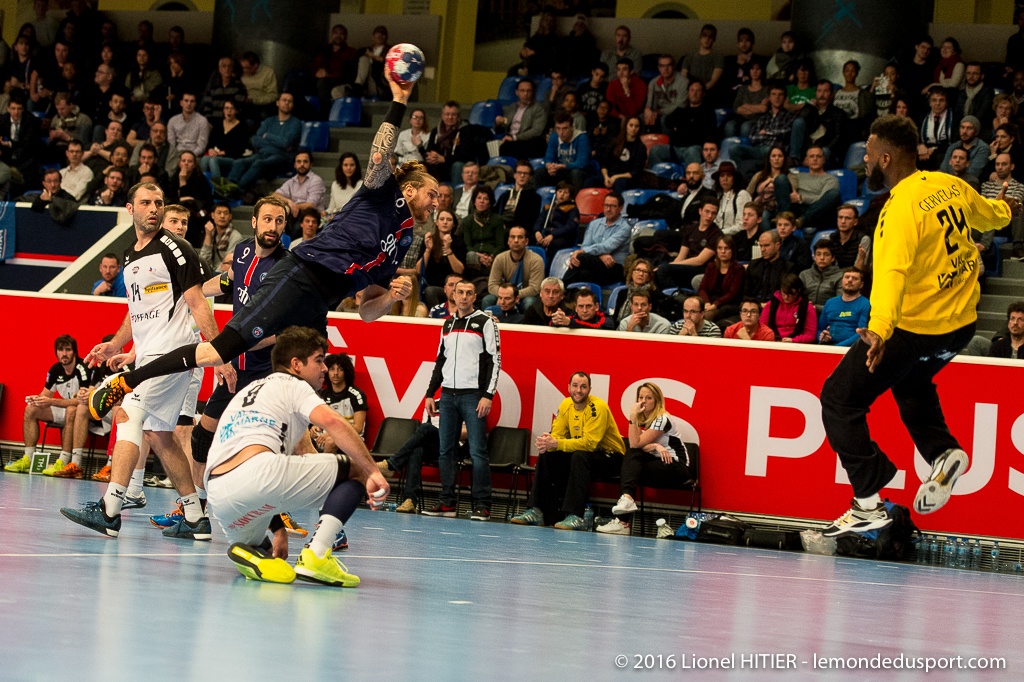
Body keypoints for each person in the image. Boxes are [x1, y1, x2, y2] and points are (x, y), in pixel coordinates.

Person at [87, 73, 435, 420]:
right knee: (219, 351)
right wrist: (399, 100)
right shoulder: (382, 194)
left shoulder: (403, 240)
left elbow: (366, 312)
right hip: (302, 275)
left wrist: (391, 296)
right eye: (431, 194)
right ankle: (127, 381)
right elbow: (379, 152)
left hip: (322, 300)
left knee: (311, 376)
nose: (436, 202)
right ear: (409, 189)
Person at [820, 114, 1015, 536]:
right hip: (959, 325)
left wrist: (880, 329)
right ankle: (943, 452)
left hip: (913, 328)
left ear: (885, 158)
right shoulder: (950, 184)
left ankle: (867, 503)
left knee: (838, 399)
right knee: (911, 384)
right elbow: (988, 215)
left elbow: (891, 274)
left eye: (869, 153)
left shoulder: (898, 210)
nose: (865, 160)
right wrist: (1007, 209)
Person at [60, 183, 220, 540]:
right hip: (149, 355)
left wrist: (220, 353)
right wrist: (115, 343)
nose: (154, 208)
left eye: (158, 203)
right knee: (160, 436)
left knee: (127, 414)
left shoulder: (176, 248)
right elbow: (137, 310)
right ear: (130, 209)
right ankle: (196, 517)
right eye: (146, 203)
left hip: (174, 353)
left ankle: (111, 508)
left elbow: (196, 303)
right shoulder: (130, 255)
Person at [208, 326, 389, 587]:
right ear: (296, 365)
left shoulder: (249, 391)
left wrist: (278, 529)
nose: (325, 369)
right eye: (318, 360)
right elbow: (333, 422)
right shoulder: (293, 384)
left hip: (220, 495)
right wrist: (373, 471)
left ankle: (247, 552)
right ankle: (317, 556)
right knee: (357, 469)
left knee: (267, 554)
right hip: (257, 474)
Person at [421, 279, 500, 520]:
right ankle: (447, 503)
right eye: (459, 292)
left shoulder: (485, 323)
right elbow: (440, 360)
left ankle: (482, 505)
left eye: (468, 293)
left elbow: (494, 360)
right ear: (453, 295)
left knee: (477, 452)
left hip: (473, 396)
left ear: (475, 296)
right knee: (445, 451)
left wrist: (488, 395)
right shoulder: (446, 324)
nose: (463, 297)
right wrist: (429, 393)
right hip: (447, 395)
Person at [510, 371, 625, 528]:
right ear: (569, 387)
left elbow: (589, 444)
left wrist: (556, 443)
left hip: (611, 457)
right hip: (584, 455)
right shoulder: (566, 405)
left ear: (589, 389)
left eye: (583, 387)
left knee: (579, 456)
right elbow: (558, 434)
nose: (579, 390)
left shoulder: (598, 407)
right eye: (575, 386)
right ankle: (536, 510)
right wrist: (547, 441)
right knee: (547, 454)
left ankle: (576, 515)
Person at [597, 382, 697, 535]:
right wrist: (655, 446)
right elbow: (637, 444)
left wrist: (632, 416)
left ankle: (623, 518)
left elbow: (635, 443)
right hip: (659, 463)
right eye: (641, 397)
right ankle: (625, 509)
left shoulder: (663, 419)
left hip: (677, 466)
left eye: (648, 398)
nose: (643, 401)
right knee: (632, 463)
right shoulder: (645, 420)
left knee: (631, 461)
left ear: (656, 401)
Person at [5, 334, 88, 474]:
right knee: (31, 409)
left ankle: (63, 461)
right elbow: (46, 395)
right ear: (56, 352)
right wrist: (36, 400)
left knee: (72, 410)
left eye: (68, 350)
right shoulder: (55, 370)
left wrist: (52, 401)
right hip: (65, 410)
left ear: (74, 352)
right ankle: (28, 459)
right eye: (61, 350)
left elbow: (82, 400)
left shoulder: (82, 368)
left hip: (83, 414)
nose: (64, 354)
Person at [227, 91, 301, 191]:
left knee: (259, 163)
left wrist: (268, 136)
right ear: (277, 103)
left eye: (290, 101)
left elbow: (286, 143)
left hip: (282, 157)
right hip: (263, 154)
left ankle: (237, 190)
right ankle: (227, 189)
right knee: (239, 162)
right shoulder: (269, 121)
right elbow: (255, 140)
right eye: (284, 100)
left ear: (292, 105)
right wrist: (277, 142)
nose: (287, 103)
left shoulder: (296, 123)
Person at [562, 192, 630, 286]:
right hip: (595, 267)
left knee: (581, 257)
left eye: (612, 206)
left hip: (614, 268)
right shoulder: (594, 224)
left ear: (620, 208)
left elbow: (606, 247)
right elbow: (585, 245)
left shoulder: (625, 228)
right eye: (606, 205)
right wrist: (600, 256)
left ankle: (560, 286)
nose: (608, 209)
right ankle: (562, 291)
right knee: (582, 274)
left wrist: (582, 252)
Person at [655, 197, 722, 290]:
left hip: (702, 269)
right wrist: (672, 264)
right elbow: (681, 256)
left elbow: (700, 260)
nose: (710, 216)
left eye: (713, 213)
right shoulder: (691, 229)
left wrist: (671, 266)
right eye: (707, 212)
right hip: (687, 266)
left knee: (664, 270)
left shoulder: (716, 234)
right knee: (656, 272)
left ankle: (676, 296)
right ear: (700, 211)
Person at [773, 146, 841, 232]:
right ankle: (785, 219)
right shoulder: (797, 176)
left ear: (823, 160)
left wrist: (801, 198)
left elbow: (822, 200)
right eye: (811, 156)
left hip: (816, 213)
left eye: (818, 156)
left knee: (834, 193)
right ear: (806, 160)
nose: (815, 159)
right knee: (781, 178)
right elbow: (786, 190)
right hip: (796, 210)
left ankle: (799, 221)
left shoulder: (831, 179)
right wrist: (793, 191)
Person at [483, 225, 544, 310]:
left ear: (526, 241)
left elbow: (535, 289)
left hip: (524, 296)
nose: (516, 240)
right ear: (508, 241)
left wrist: (512, 296)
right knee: (487, 300)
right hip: (504, 295)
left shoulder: (536, 260)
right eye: (512, 237)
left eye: (520, 237)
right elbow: (492, 285)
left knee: (529, 302)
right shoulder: (500, 258)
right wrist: (504, 297)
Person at [317, 353, 367, 446]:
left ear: (346, 372)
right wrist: (315, 429)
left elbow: (358, 428)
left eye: (340, 369)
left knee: (331, 442)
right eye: (332, 369)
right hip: (325, 436)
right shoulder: (323, 395)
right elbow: (320, 421)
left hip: (352, 439)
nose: (335, 373)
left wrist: (331, 434)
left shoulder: (356, 394)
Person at [419, 210, 466, 309]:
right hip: (430, 284)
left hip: (452, 288)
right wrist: (428, 250)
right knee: (429, 291)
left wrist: (448, 249)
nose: (445, 222)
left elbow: (459, 270)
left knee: (430, 291)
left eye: (449, 220)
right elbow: (419, 270)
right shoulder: (429, 240)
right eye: (442, 219)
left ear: (453, 224)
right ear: (437, 222)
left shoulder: (458, 242)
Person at [535, 113, 592, 191]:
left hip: (578, 171)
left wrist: (563, 166)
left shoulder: (582, 138)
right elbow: (549, 157)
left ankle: (576, 201)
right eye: (558, 128)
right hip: (561, 170)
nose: (561, 132)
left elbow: (582, 163)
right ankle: (542, 198)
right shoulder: (554, 137)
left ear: (572, 127)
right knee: (540, 172)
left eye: (565, 128)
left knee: (576, 173)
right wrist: (550, 166)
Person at [494, 79, 547, 159]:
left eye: (529, 91)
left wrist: (514, 137)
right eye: (522, 91)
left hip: (526, 141)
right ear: (517, 92)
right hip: (510, 139)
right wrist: (498, 124)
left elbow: (536, 131)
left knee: (506, 147)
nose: (525, 94)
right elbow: (503, 128)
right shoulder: (512, 107)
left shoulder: (539, 108)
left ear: (533, 92)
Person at [818, 267, 870, 347]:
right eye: (847, 277)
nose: (849, 280)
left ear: (861, 284)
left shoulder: (866, 304)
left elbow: (862, 333)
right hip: (827, 346)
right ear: (842, 281)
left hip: (852, 349)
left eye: (854, 278)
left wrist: (837, 347)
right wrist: (821, 337)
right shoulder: (830, 302)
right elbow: (819, 328)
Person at [697, 236, 744, 321]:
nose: (723, 251)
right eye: (720, 248)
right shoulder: (711, 266)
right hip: (710, 302)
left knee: (705, 316)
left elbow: (733, 293)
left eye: (726, 248)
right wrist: (707, 303)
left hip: (727, 304)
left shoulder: (738, 269)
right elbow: (702, 288)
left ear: (732, 250)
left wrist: (715, 304)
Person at [762, 273, 817, 343]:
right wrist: (771, 338)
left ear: (798, 291)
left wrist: (794, 340)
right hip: (772, 341)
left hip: (796, 344)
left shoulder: (807, 307)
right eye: (783, 293)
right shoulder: (770, 305)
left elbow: (810, 335)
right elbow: (762, 328)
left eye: (790, 294)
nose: (786, 297)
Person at [598, 115, 646, 194]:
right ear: (626, 126)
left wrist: (616, 177)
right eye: (631, 125)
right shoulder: (615, 142)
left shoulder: (641, 148)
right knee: (590, 181)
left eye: (636, 126)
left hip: (627, 178)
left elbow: (635, 173)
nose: (633, 128)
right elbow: (604, 164)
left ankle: (618, 205)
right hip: (610, 175)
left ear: (639, 129)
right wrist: (606, 177)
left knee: (619, 183)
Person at [201, 99, 248, 179]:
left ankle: (219, 188)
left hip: (232, 157)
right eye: (226, 108)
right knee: (205, 159)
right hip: (216, 154)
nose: (229, 111)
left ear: (236, 111)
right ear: (223, 110)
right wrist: (210, 150)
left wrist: (222, 153)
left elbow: (240, 149)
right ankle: (200, 186)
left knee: (213, 160)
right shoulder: (218, 123)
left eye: (232, 108)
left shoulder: (242, 126)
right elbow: (211, 142)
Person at [534, 181, 580, 262]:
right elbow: (539, 221)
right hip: (546, 233)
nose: (561, 194)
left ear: (570, 195)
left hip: (563, 236)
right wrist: (537, 232)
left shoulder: (572, 208)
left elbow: (570, 227)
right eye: (560, 191)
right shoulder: (548, 206)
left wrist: (553, 235)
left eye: (565, 192)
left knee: (553, 244)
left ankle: (548, 267)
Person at [274, 150, 326, 217]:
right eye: (299, 162)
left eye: (305, 161)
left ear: (311, 164)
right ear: (295, 165)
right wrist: (289, 202)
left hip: (312, 217)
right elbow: (275, 195)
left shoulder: (316, 180)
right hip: (295, 215)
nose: (302, 164)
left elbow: (310, 205)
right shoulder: (291, 181)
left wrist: (291, 207)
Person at [644, 54, 687, 133]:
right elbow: (649, 104)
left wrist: (659, 112)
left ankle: (666, 143)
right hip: (658, 112)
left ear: (673, 66)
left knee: (665, 119)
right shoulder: (653, 83)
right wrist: (648, 111)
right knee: (641, 118)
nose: (666, 69)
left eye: (668, 65)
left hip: (677, 112)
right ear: (659, 68)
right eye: (662, 66)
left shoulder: (683, 81)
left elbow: (681, 105)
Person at [495, 160, 541, 232]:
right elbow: (495, 213)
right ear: (514, 175)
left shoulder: (534, 197)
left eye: (525, 173)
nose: (522, 176)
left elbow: (528, 221)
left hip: (517, 229)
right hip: (500, 226)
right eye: (519, 173)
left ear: (530, 177)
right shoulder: (505, 195)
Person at [199, 201, 243, 267]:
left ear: (230, 216)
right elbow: (203, 259)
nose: (222, 216)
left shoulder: (236, 237)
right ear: (212, 215)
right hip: (210, 272)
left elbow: (229, 263)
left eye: (225, 213)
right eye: (219, 213)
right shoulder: (211, 233)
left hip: (224, 274)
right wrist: (208, 235)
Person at [800, 239, 842, 307]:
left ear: (833, 258)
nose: (822, 258)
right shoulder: (804, 275)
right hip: (806, 314)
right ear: (814, 257)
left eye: (826, 255)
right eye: (818, 254)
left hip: (829, 315)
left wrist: (815, 308)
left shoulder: (840, 276)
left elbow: (839, 304)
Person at [712, 162, 750, 236]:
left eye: (729, 175)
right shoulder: (719, 198)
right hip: (720, 237)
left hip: (736, 238)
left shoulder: (742, 194)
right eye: (722, 176)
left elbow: (742, 224)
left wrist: (721, 233)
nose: (725, 179)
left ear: (734, 178)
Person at [166, 91, 208, 158]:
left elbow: (201, 146)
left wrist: (189, 156)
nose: (189, 104)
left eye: (192, 101)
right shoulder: (172, 121)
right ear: (181, 103)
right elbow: (171, 145)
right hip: (177, 156)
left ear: (195, 104)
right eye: (186, 101)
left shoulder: (202, 121)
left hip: (195, 156)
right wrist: (179, 157)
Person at [326, 152, 363, 216]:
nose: (349, 168)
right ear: (341, 167)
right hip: (336, 216)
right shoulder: (335, 184)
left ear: (356, 167)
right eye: (345, 165)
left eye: (352, 165)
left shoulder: (361, 185)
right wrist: (325, 213)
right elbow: (331, 208)